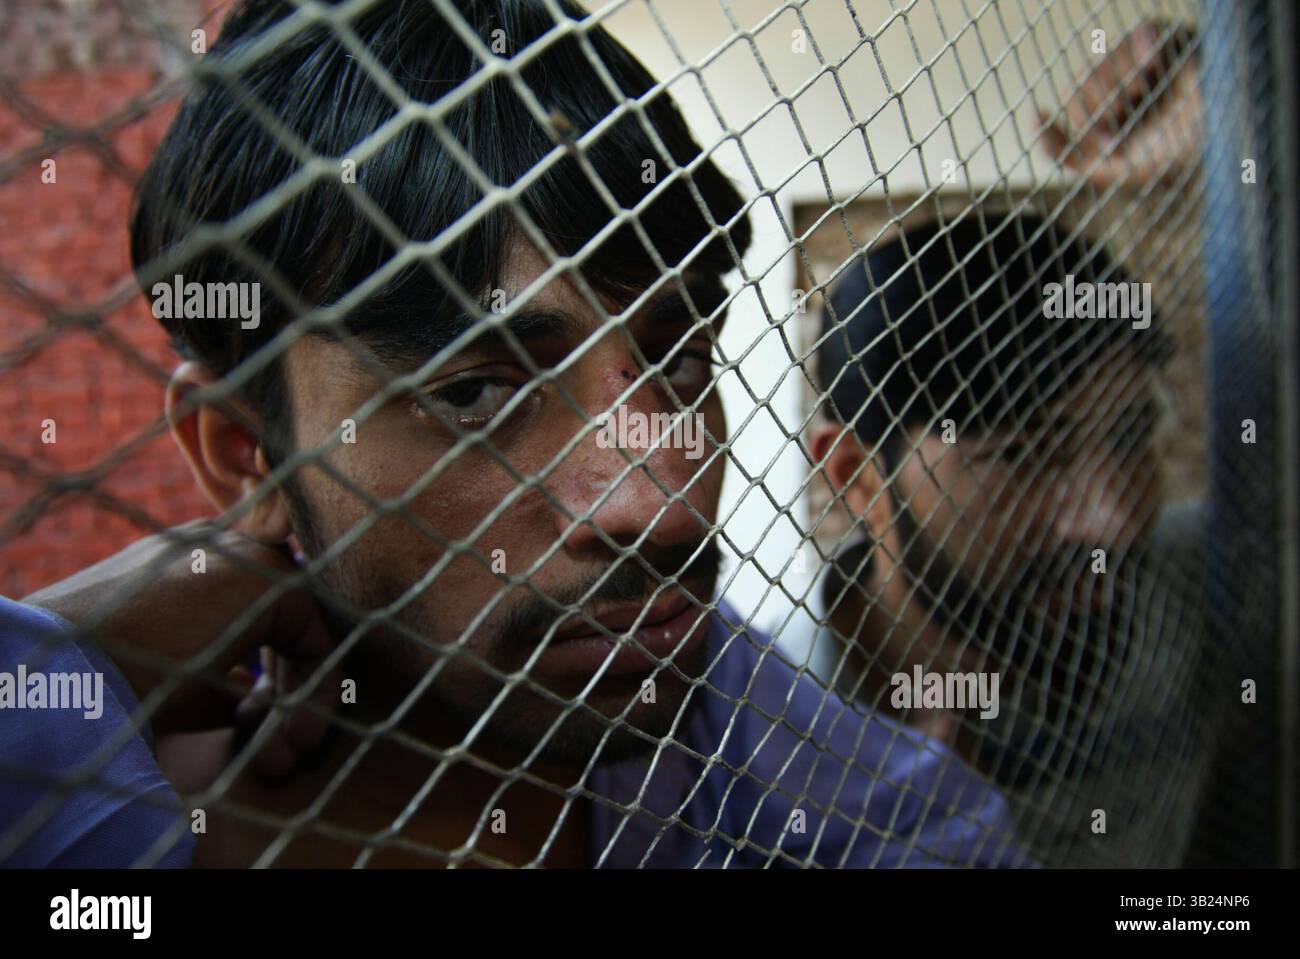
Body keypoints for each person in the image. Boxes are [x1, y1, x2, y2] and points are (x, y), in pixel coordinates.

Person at [5, 0, 1025, 868]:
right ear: (246, 453)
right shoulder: (96, 837)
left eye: (676, 360)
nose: (657, 501)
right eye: (477, 394)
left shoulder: (723, 731)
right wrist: (51, 665)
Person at [807, 210, 1182, 789]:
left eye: (1130, 438)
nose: (1114, 523)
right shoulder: (750, 730)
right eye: (1022, 456)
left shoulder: (1199, 606)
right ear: (859, 477)